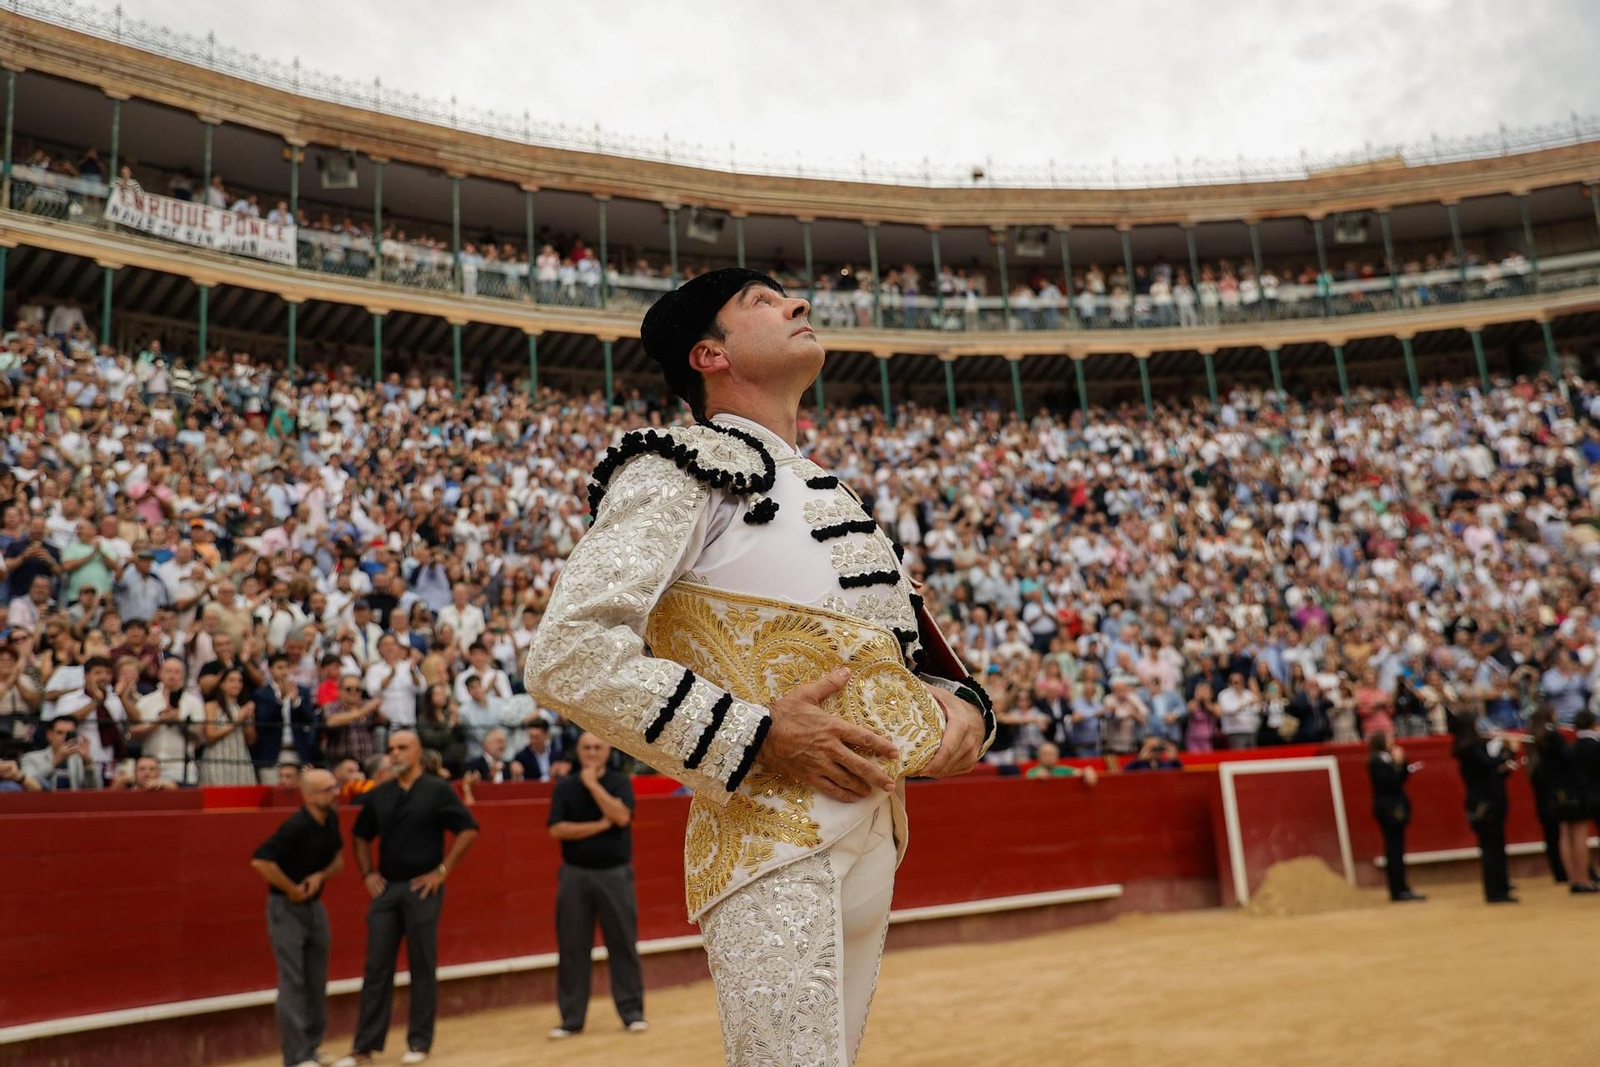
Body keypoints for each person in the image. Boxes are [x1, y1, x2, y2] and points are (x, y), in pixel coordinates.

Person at [525, 268, 993, 1067]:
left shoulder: (825, 491)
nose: (797, 304)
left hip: (874, 821)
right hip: (765, 832)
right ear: (709, 354)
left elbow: (915, 653)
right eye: (764, 302)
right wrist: (753, 734)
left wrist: (967, 710)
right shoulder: (675, 467)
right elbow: (569, 651)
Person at [336, 731, 478, 1067]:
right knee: (376, 968)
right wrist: (368, 873)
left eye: (402, 748)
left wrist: (442, 871)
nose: (395, 754)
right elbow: (360, 835)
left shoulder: (437, 790)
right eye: (391, 749)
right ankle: (364, 1048)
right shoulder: (381, 793)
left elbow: (468, 828)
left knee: (422, 965)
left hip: (421, 887)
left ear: (417, 752)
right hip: (387, 890)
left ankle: (420, 1041)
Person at [547, 733, 647, 1039]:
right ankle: (571, 1019)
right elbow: (557, 830)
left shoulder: (619, 782)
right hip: (575, 874)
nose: (592, 752)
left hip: (614, 873)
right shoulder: (564, 787)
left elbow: (621, 816)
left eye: (597, 747)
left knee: (623, 943)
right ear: (578, 752)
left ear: (608, 751)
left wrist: (592, 785)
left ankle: (632, 1013)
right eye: (586, 748)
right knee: (572, 947)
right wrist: (600, 825)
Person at [251, 768, 344, 1067]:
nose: (336, 793)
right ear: (310, 795)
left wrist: (319, 876)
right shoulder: (296, 825)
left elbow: (338, 861)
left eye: (335, 787)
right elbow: (261, 861)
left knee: (316, 979)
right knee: (293, 980)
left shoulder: (330, 819)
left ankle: (312, 1048)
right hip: (285, 908)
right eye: (329, 789)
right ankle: (296, 1056)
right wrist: (291, 889)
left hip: (313, 906)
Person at [1450, 713, 1518, 904]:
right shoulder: (1471, 747)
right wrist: (1508, 753)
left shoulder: (1467, 747)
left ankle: (1499, 887)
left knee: (1492, 846)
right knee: (1493, 846)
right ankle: (1497, 890)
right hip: (1486, 801)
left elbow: (1488, 770)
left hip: (1482, 799)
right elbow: (1488, 765)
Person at [1529, 709, 1595, 893]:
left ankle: (1573, 878)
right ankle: (1583, 879)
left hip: (1555, 793)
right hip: (1573, 791)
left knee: (1565, 834)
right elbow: (1569, 759)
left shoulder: (1540, 738)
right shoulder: (1554, 737)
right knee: (1579, 835)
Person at [1366, 732, 1424, 902]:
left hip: (1391, 808)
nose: (1392, 742)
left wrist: (1401, 763)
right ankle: (1398, 889)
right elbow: (1393, 782)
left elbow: (1400, 778)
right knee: (1394, 849)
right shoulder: (1377, 761)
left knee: (1396, 849)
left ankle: (1401, 887)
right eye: (1388, 740)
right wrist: (1398, 763)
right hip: (1389, 809)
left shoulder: (1382, 759)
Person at [20, 716, 100, 790]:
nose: (64, 737)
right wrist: (56, 761)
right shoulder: (30, 758)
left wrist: (87, 763)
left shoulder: (79, 760)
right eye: (60, 733)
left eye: (69, 734)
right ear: (49, 735)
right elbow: (28, 784)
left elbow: (96, 788)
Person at [1024, 741, 1098, 784]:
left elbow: (1079, 772)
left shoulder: (1063, 770)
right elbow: (1028, 778)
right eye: (1044, 754)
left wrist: (1087, 771)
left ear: (1057, 757)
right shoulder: (1032, 772)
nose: (1048, 757)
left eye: (1051, 754)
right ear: (1039, 757)